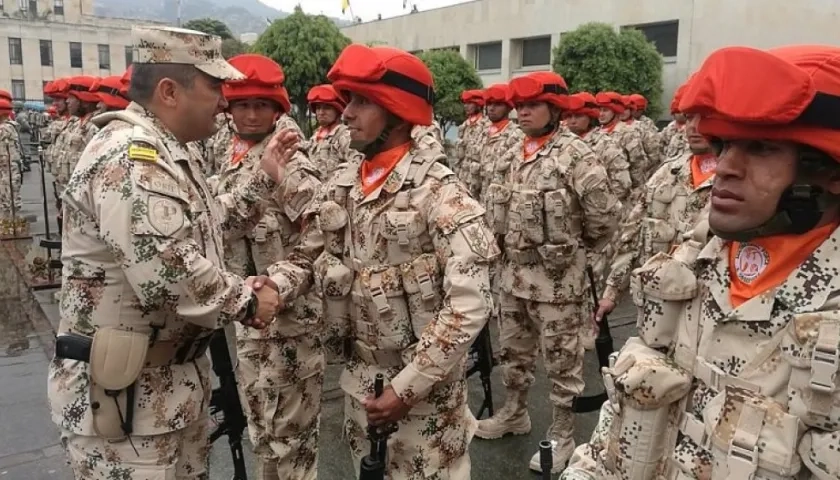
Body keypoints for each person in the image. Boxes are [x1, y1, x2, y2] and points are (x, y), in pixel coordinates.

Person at [563, 44, 840, 480]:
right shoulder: (693, 262)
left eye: (762, 148)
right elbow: (626, 404)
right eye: (725, 144)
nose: (724, 167)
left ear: (830, 172)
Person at [47, 25, 290, 479]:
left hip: (164, 396)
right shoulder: (130, 157)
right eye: (215, 86)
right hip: (126, 407)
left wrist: (262, 178)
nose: (224, 101)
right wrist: (250, 300)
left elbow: (209, 225)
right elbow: (167, 274)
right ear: (169, 91)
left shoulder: (172, 151)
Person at [256, 43, 497, 479]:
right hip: (360, 384)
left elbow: (469, 305)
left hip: (425, 401)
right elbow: (310, 252)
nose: (347, 112)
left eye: (362, 102)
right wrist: (274, 286)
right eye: (349, 100)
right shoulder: (348, 182)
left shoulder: (440, 194)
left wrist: (405, 390)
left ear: (397, 111)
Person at [475, 71, 621, 474]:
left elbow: (604, 218)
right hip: (512, 278)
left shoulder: (576, 155)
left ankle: (561, 433)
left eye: (532, 105)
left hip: (558, 283)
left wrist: (575, 252)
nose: (522, 112)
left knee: (562, 362)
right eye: (519, 106)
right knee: (513, 353)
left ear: (554, 109)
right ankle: (514, 413)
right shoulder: (510, 151)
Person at [211, 53, 325, 480]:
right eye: (242, 104)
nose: (252, 113)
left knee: (291, 440)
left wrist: (280, 283)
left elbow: (321, 236)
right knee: (260, 430)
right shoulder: (232, 152)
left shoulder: (291, 159)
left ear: (278, 108)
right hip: (245, 320)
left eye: (262, 104)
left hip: (288, 325)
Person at [594, 111, 716, 327]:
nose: (693, 127)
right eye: (689, 118)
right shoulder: (668, 172)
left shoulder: (738, 180)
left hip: (708, 310)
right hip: (657, 304)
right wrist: (611, 291)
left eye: (704, 118)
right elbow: (633, 233)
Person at [470, 83, 522, 202]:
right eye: (489, 104)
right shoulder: (482, 133)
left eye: (498, 104)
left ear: (509, 107)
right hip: (481, 200)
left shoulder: (516, 135)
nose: (491, 108)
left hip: (502, 203)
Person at [595, 91, 649, 199]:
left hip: (624, 193)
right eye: (599, 110)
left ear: (615, 111)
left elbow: (638, 164)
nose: (601, 114)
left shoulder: (628, 133)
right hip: (601, 192)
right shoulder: (595, 133)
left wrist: (636, 190)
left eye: (605, 110)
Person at [52, 76, 100, 196]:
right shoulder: (75, 124)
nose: (67, 101)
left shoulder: (96, 125)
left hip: (85, 197)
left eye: (71, 97)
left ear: (84, 100)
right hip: (69, 192)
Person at [306, 83, 352, 179]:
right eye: (318, 108)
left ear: (338, 111)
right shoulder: (315, 137)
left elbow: (354, 167)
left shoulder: (345, 136)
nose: (321, 112)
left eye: (327, 108)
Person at [454, 89, 489, 177]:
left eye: (470, 103)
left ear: (479, 105)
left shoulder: (487, 126)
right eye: (465, 103)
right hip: (462, 175)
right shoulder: (463, 126)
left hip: (478, 176)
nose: (466, 106)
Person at [0, 98, 21, 236]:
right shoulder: (9, 127)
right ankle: (11, 227)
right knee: (9, 200)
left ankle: (10, 229)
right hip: (8, 168)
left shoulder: (3, 129)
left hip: (6, 169)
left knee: (7, 200)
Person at [661, 81, 690, 160]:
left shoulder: (691, 129)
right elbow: (661, 145)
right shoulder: (669, 128)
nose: (680, 114)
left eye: (681, 112)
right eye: (677, 112)